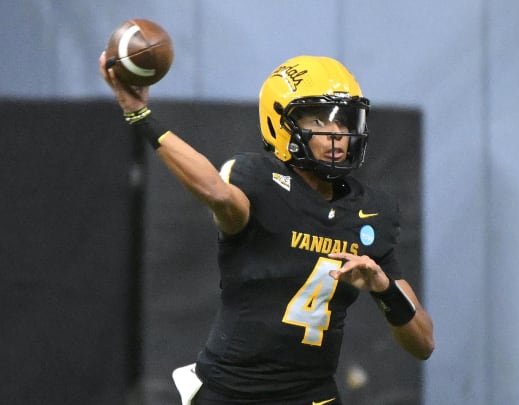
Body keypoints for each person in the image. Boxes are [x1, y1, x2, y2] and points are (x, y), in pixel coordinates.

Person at [99, 53, 434, 405]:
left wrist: (384, 289)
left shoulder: (369, 211)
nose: (336, 134)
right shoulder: (259, 183)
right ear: (281, 123)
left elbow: (423, 342)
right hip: (231, 391)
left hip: (311, 394)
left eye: (343, 121)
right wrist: (141, 117)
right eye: (319, 119)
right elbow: (215, 189)